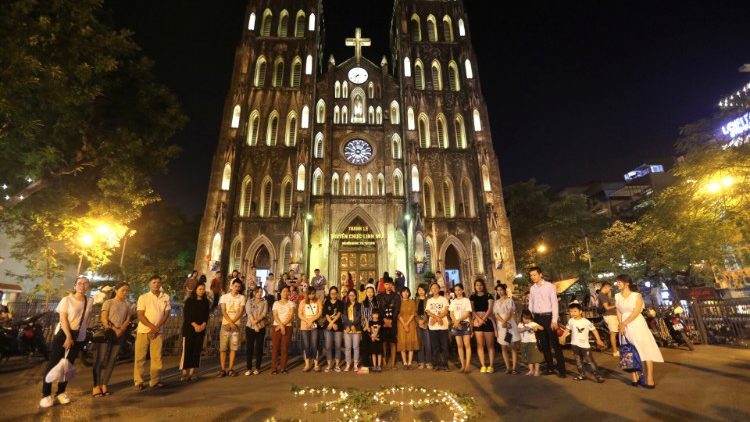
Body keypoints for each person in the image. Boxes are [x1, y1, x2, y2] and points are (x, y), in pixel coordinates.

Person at [40, 277, 93, 408]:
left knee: (68, 366)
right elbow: (63, 319)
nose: (82, 286)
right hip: (64, 333)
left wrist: (81, 334)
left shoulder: (90, 300)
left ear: (88, 287)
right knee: (53, 364)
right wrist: (68, 337)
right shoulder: (67, 300)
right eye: (79, 283)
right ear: (75, 286)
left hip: (78, 336)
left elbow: (86, 318)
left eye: (85, 284)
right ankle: (46, 394)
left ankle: (61, 392)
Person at [615, 274, 663, 388]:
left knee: (645, 349)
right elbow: (618, 312)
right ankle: (634, 377)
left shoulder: (637, 295)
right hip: (624, 326)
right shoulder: (617, 296)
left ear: (627, 283)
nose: (617, 284)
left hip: (637, 324)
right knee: (628, 350)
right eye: (617, 282)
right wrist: (620, 324)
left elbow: (636, 312)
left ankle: (649, 379)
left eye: (619, 282)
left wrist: (624, 323)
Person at [93, 282, 132, 396]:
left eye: (126, 290)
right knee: (100, 359)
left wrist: (121, 329)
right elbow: (104, 318)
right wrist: (114, 329)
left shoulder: (127, 305)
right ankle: (96, 385)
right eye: (122, 290)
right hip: (107, 333)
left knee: (112, 359)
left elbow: (127, 319)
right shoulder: (108, 302)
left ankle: (104, 384)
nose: (125, 292)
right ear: (116, 290)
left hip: (120, 334)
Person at [528, 266, 566, 377]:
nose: (533, 277)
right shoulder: (532, 288)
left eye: (534, 275)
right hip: (537, 318)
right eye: (531, 275)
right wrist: (531, 322)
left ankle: (561, 369)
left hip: (549, 317)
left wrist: (554, 320)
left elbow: (554, 303)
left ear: (541, 274)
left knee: (555, 344)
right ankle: (550, 368)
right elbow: (531, 304)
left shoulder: (550, 286)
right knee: (544, 345)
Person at [134, 275, 170, 390]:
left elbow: (166, 314)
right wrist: (151, 327)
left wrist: (156, 328)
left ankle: (154, 380)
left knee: (157, 357)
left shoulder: (166, 297)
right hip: (143, 331)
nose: (156, 284)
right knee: (140, 357)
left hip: (158, 332)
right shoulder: (143, 297)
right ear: (149, 284)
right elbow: (140, 314)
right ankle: (138, 381)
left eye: (158, 282)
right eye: (154, 282)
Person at [561, 302, 605, 383]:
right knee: (578, 361)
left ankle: (598, 376)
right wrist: (563, 337)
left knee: (590, 361)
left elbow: (594, 330)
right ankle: (581, 375)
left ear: (580, 311)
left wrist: (598, 340)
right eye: (570, 311)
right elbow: (567, 329)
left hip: (585, 346)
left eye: (575, 311)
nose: (572, 313)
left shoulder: (586, 322)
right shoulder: (571, 321)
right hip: (574, 344)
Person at [180, 281, 210, 381]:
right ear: (195, 290)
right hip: (189, 329)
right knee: (187, 349)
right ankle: (184, 371)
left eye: (203, 289)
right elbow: (187, 315)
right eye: (200, 289)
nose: (201, 291)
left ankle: (192, 371)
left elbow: (206, 316)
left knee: (197, 350)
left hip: (201, 329)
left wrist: (203, 325)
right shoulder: (189, 301)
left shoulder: (206, 302)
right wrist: (195, 325)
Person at [218, 279, 246, 377]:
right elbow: (223, 311)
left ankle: (230, 368)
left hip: (236, 326)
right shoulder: (224, 297)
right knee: (223, 348)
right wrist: (230, 322)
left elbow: (241, 311)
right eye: (235, 286)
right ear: (231, 286)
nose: (237, 288)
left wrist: (233, 323)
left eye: (239, 287)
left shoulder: (242, 297)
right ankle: (222, 369)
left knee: (233, 348)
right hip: (225, 325)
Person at [470, 279, 496, 373]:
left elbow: (490, 309)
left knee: (490, 345)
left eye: (480, 285)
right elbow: (472, 310)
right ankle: (483, 365)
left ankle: (491, 365)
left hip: (488, 320)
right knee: (480, 345)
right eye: (477, 285)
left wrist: (483, 319)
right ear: (475, 286)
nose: (479, 287)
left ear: (483, 286)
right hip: (477, 321)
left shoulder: (489, 295)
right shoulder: (472, 296)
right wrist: (479, 319)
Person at [494, 283, 520, 374]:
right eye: (498, 290)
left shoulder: (509, 300)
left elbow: (510, 312)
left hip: (509, 324)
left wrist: (505, 321)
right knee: (503, 347)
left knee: (512, 346)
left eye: (501, 289)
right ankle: (508, 367)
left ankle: (514, 368)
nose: (499, 292)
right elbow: (496, 314)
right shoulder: (496, 302)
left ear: (504, 290)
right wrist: (502, 322)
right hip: (501, 325)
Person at [377, 277, 401, 369]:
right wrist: (384, 320)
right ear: (384, 285)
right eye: (386, 284)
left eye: (389, 284)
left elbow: (397, 309)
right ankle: (383, 361)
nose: (388, 286)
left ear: (392, 285)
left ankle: (392, 362)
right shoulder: (379, 296)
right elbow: (378, 309)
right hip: (383, 322)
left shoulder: (396, 296)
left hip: (393, 322)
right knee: (383, 342)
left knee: (392, 342)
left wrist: (391, 320)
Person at [271, 286, 296, 374]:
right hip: (276, 326)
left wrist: (283, 325)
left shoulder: (291, 303)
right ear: (280, 293)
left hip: (287, 326)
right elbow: (275, 315)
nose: (285, 293)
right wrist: (281, 326)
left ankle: (283, 367)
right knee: (275, 348)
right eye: (284, 291)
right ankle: (274, 368)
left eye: (287, 291)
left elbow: (291, 315)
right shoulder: (276, 303)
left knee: (285, 348)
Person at [426, 282, 450, 371]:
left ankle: (445, 364)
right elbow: (428, 312)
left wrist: (438, 318)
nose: (434, 289)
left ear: (439, 289)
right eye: (433, 288)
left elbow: (446, 311)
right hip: (433, 326)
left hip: (443, 326)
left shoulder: (443, 299)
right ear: (431, 290)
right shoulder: (429, 300)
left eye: (436, 288)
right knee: (435, 346)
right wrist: (437, 318)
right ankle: (436, 364)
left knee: (444, 346)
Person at [244, 287, 268, 375]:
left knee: (259, 348)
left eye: (261, 292)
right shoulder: (249, 301)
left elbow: (264, 313)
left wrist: (257, 323)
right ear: (254, 293)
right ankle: (248, 368)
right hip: (250, 327)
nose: (260, 293)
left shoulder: (264, 302)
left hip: (261, 327)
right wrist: (254, 325)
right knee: (249, 347)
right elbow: (249, 313)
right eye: (258, 292)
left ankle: (257, 367)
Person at [449, 284, 473, 373]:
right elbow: (451, 313)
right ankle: (462, 365)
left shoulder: (466, 300)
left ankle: (467, 365)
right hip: (456, 324)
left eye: (459, 290)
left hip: (464, 323)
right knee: (459, 345)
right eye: (456, 290)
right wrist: (455, 322)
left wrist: (458, 321)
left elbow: (467, 313)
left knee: (467, 344)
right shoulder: (453, 301)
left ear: (462, 290)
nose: (457, 292)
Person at [298, 287, 322, 372]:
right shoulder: (302, 302)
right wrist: (307, 321)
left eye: (313, 293)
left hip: (314, 325)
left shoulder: (318, 301)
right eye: (310, 294)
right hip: (304, 326)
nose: (312, 295)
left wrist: (312, 320)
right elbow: (300, 314)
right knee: (306, 345)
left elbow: (320, 312)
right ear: (307, 294)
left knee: (314, 344)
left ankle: (316, 364)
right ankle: (307, 364)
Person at [323, 286, 344, 372]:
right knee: (328, 346)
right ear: (330, 294)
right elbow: (326, 314)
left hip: (338, 326)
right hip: (328, 327)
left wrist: (333, 323)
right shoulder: (326, 302)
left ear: (337, 294)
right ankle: (329, 365)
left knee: (338, 346)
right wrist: (331, 323)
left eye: (335, 293)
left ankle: (337, 365)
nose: (333, 295)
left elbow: (339, 314)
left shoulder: (340, 302)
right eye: (332, 293)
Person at [397, 287, 419, 369]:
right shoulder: (399, 302)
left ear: (409, 293)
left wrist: (407, 323)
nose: (405, 293)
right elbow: (398, 314)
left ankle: (409, 362)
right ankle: (405, 363)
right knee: (402, 343)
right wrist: (404, 324)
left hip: (411, 324)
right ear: (401, 293)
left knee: (410, 342)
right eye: (403, 292)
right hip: (401, 324)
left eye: (407, 292)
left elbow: (413, 313)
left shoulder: (412, 302)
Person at [518, 309, 544, 376]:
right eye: (525, 318)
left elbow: (542, 328)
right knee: (528, 358)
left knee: (536, 357)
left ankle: (537, 371)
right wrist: (525, 329)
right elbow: (518, 330)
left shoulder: (532, 323)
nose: (527, 320)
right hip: (524, 342)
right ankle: (531, 370)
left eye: (528, 319)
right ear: (522, 318)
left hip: (533, 342)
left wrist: (536, 327)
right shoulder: (520, 324)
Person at [342, 289, 363, 371]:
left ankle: (355, 364)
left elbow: (359, 316)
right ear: (348, 296)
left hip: (356, 328)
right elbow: (344, 316)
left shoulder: (359, 305)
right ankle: (348, 364)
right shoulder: (345, 305)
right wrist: (349, 325)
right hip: (347, 328)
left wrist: (354, 325)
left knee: (356, 347)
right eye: (350, 295)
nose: (351, 297)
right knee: (347, 347)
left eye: (353, 295)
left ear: (355, 296)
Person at [599, 281, 619, 356]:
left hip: (611, 315)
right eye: (609, 288)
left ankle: (616, 349)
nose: (610, 290)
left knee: (615, 332)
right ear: (606, 287)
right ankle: (615, 351)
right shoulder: (602, 295)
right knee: (613, 333)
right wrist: (616, 305)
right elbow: (607, 308)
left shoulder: (605, 295)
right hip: (609, 315)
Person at [414, 283, 432, 369]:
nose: (420, 291)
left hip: (426, 323)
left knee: (427, 343)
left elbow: (429, 312)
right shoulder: (415, 300)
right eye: (419, 290)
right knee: (420, 343)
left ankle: (428, 361)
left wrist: (424, 321)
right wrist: (418, 321)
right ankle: (421, 362)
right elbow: (414, 312)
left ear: (425, 291)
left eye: (422, 290)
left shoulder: (429, 300)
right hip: (418, 324)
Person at [360, 284, 377, 368]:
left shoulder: (376, 302)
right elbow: (363, 316)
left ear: (374, 292)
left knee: (373, 345)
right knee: (365, 345)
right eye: (368, 292)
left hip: (375, 326)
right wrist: (367, 326)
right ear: (366, 293)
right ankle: (366, 363)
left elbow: (377, 314)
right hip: (366, 326)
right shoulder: (363, 303)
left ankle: (375, 364)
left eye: (371, 292)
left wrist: (372, 327)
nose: (370, 293)